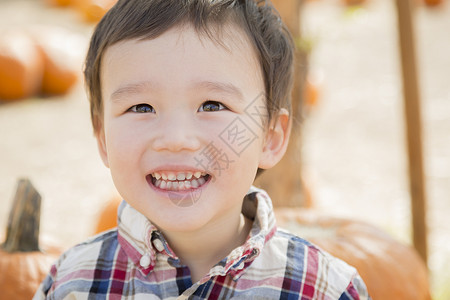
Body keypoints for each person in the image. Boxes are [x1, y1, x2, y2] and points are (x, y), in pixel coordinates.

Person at [34, 0, 371, 299]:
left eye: (211, 105)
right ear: (103, 137)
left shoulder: (325, 289)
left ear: (270, 137)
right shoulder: (70, 283)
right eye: (141, 107)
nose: (176, 138)